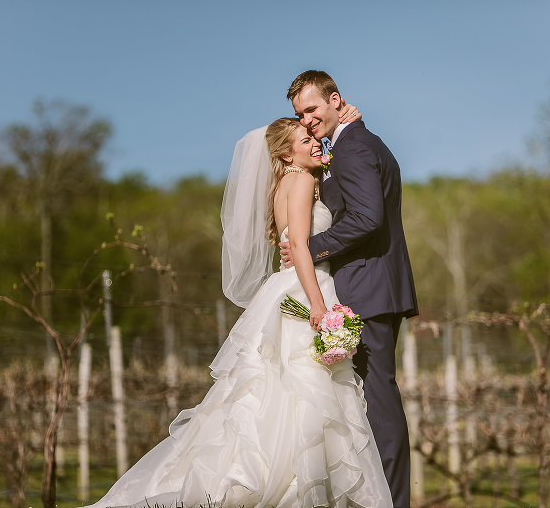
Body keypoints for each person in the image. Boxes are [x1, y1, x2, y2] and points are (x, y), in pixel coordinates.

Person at [83, 112, 394, 507]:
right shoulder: (300, 182)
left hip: (289, 288)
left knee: (282, 393)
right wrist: (318, 305)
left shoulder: (289, 182)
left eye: (315, 137)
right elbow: (299, 245)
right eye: (305, 141)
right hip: (307, 288)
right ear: (286, 154)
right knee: (305, 396)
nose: (317, 143)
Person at [280, 70, 418, 508]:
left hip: (369, 285)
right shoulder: (352, 142)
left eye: (313, 109)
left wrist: (307, 248)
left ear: (336, 99)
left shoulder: (354, 146)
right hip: (370, 284)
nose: (306, 120)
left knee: (378, 397)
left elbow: (366, 218)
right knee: (365, 396)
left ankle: (392, 500)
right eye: (300, 114)